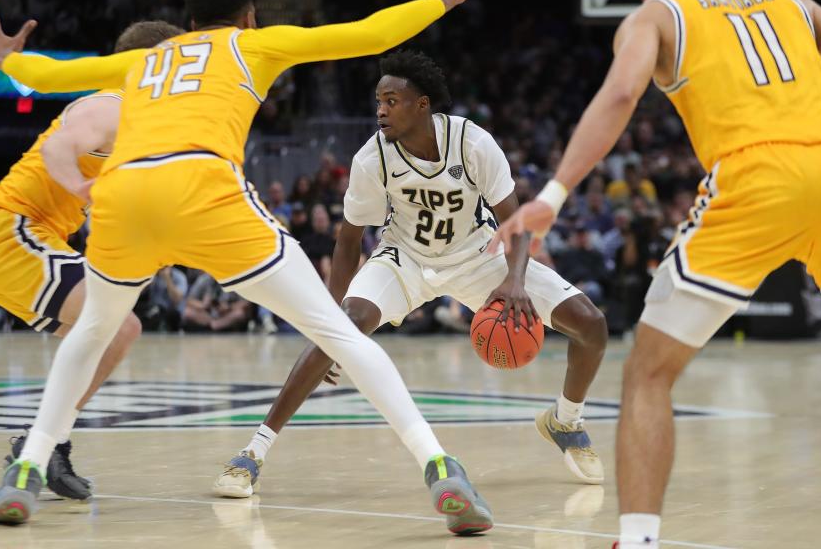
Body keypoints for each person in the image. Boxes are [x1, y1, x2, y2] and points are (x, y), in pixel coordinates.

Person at [0, 0, 499, 532]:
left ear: (189, 22)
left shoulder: (143, 60)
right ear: (248, 17)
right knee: (336, 331)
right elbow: (370, 34)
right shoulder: (254, 46)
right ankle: (439, 466)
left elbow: (50, 77)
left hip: (125, 196)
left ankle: (29, 468)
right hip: (203, 188)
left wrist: (6, 58)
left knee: (92, 330)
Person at [491, 0, 821, 549]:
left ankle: (640, 540)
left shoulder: (658, 12)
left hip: (756, 180)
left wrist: (555, 191)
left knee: (649, 372)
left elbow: (622, 94)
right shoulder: (789, 0)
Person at [212, 50, 608, 500]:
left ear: (423, 105)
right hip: (405, 260)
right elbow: (348, 240)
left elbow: (514, 223)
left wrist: (514, 281)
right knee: (344, 325)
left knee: (590, 324)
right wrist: (326, 320)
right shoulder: (371, 159)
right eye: (378, 101)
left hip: (479, 257)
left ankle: (566, 421)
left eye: (392, 100)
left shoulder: (472, 142)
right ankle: (252, 454)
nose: (381, 109)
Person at [0, 20, 183, 501]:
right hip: (11, 231)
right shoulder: (113, 105)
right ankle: (43, 444)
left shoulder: (137, 121)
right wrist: (77, 185)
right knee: (119, 327)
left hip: (28, 238)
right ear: (149, 65)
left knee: (105, 340)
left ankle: (48, 442)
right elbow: (61, 145)